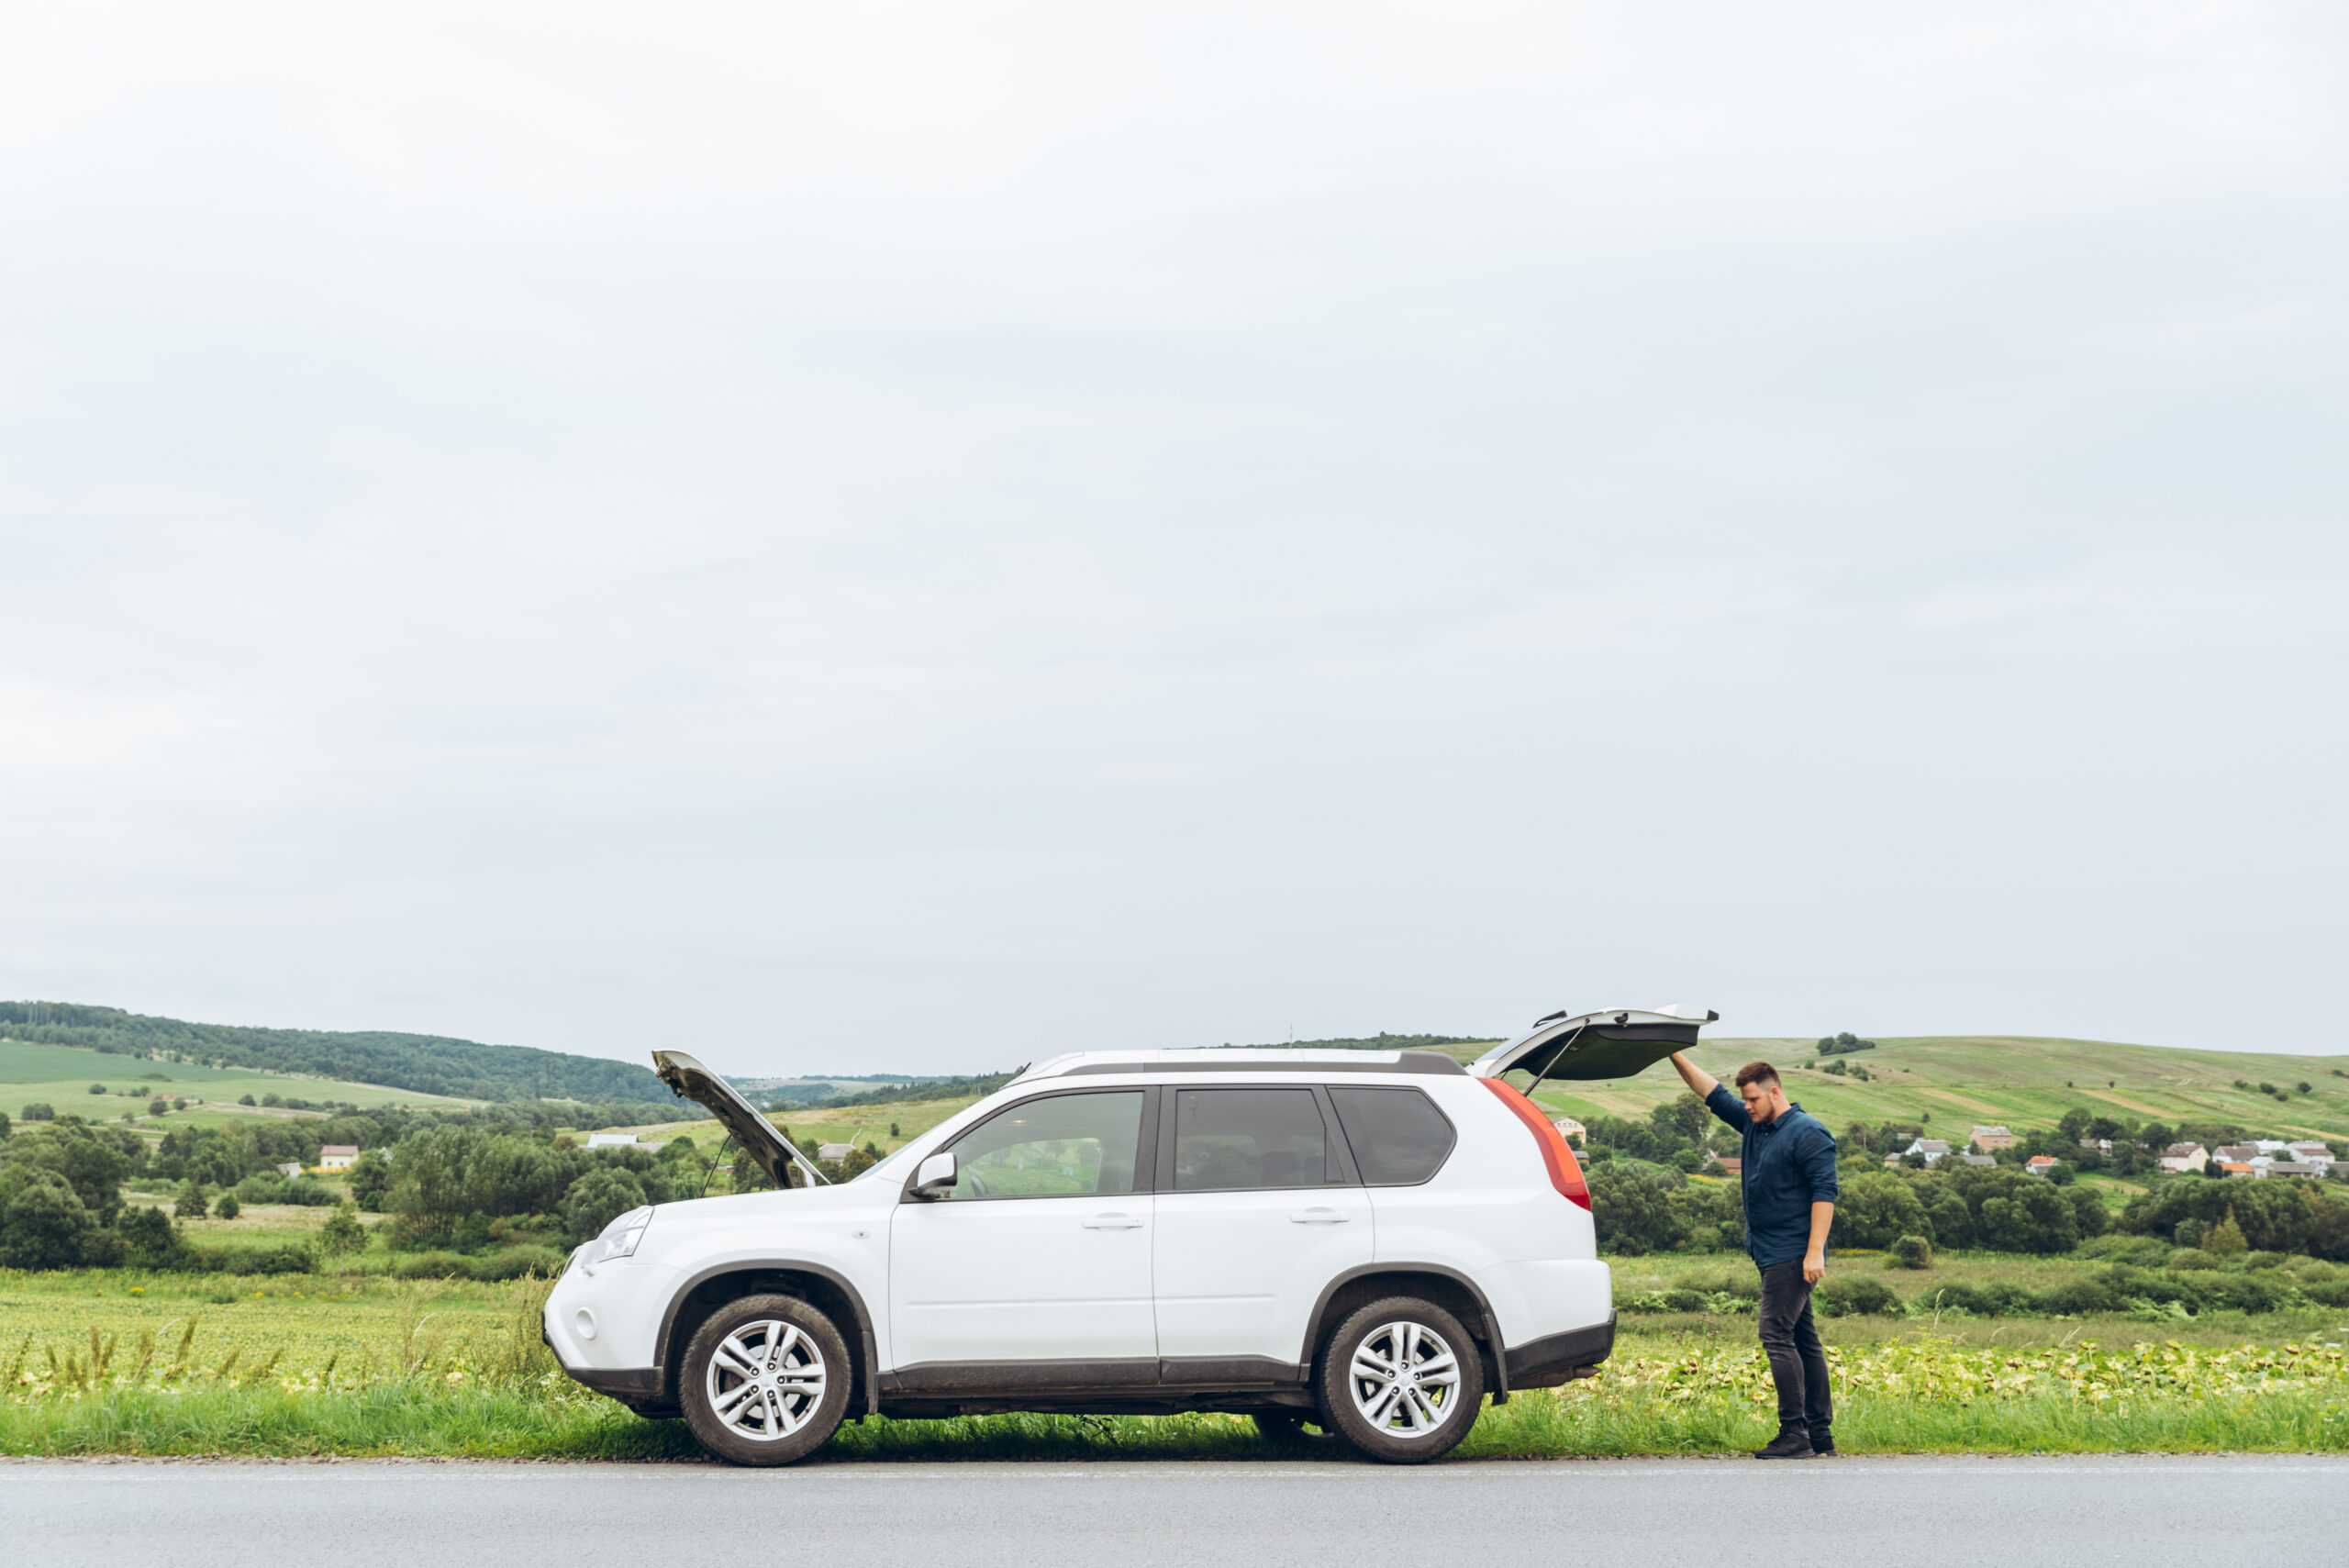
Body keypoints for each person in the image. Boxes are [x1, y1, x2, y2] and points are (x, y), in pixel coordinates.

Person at [1667, 1052, 1840, 1458]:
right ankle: (1819, 1436)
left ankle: (1794, 1433)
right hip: (1768, 1251)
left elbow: (1824, 1194)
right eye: (1745, 1101)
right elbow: (1709, 1090)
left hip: (1793, 1253)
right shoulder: (1755, 1124)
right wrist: (1672, 1050)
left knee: (1776, 1335)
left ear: (1774, 1092)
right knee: (1803, 1338)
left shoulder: (1808, 1132)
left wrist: (1815, 1253)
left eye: (1752, 1100)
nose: (1746, 1106)